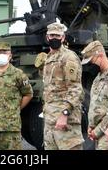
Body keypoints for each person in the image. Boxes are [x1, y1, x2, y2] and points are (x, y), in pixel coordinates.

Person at [35, 22, 84, 150]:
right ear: (47, 37)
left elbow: (75, 89)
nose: (55, 38)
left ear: (63, 38)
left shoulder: (68, 57)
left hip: (65, 121)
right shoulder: (49, 58)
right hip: (51, 120)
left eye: (58, 36)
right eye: (52, 35)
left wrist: (64, 114)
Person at [0, 41, 33, 150]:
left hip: (10, 126)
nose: (1, 54)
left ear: (10, 55)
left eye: (4, 52)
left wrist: (16, 108)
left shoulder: (18, 74)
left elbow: (28, 94)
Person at [81, 40, 108, 150]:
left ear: (100, 55)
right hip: (98, 133)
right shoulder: (98, 78)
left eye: (91, 61)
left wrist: (98, 131)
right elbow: (95, 105)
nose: (89, 65)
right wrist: (91, 126)